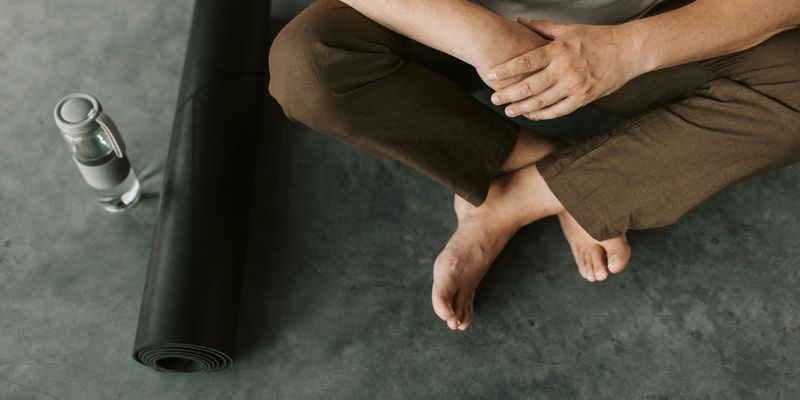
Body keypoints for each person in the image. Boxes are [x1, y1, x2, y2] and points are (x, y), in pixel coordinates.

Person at [268, 0, 800, 331]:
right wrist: (487, 39)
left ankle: (520, 195)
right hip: (450, 16)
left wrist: (629, 49)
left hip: (655, 23)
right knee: (308, 63)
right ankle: (542, 162)